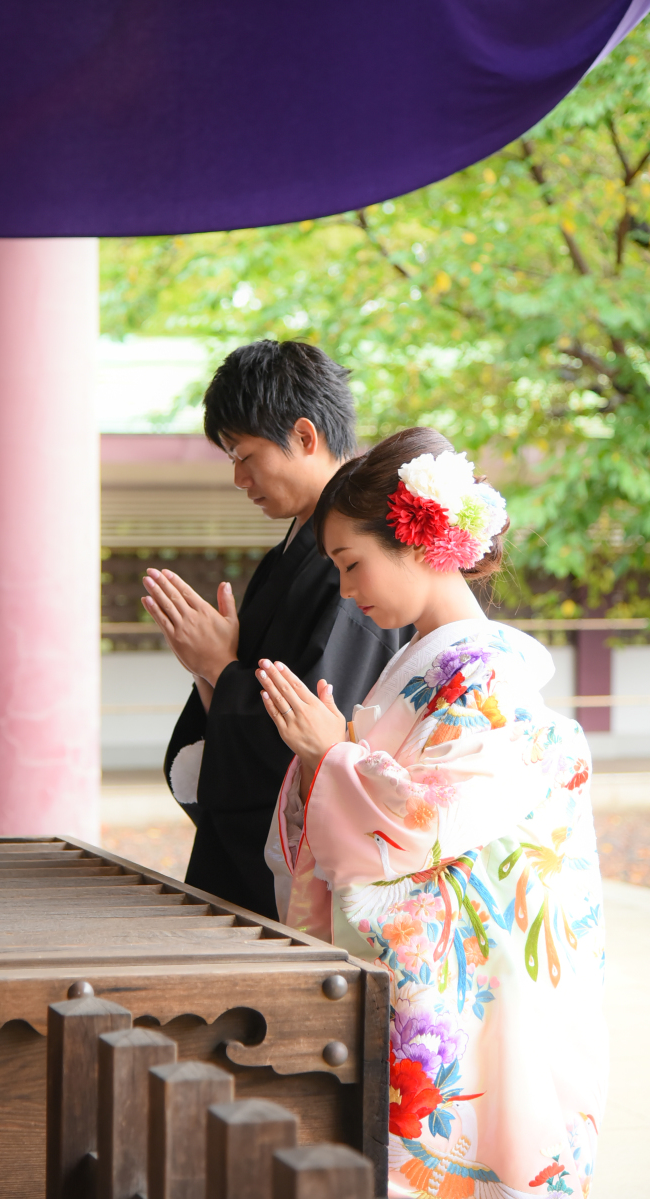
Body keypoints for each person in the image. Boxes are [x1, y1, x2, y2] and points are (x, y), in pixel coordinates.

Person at [258, 427, 606, 1195]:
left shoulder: (486, 675)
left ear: (417, 540)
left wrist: (333, 755)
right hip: (450, 974)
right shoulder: (421, 669)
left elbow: (427, 821)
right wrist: (328, 757)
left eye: (352, 563)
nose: (345, 589)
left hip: (477, 983)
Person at [140, 340, 411, 918]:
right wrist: (212, 668)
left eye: (245, 455)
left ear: (305, 436)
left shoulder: (350, 567)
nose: (239, 478)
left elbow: (310, 736)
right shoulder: (288, 555)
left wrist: (219, 667)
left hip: (295, 872)